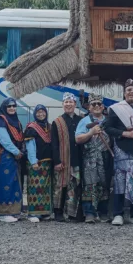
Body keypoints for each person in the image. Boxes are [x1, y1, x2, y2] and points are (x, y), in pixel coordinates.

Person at [104, 80, 133, 226]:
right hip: (121, 151)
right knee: (119, 183)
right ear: (124, 93)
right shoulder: (116, 109)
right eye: (129, 90)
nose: (131, 92)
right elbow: (107, 128)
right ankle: (118, 214)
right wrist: (124, 133)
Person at [75, 94, 112, 223]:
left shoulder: (109, 121)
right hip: (90, 158)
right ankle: (89, 212)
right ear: (89, 107)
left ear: (103, 107)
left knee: (104, 184)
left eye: (99, 104)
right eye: (93, 104)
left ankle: (103, 212)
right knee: (90, 185)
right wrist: (90, 133)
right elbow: (78, 139)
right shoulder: (84, 121)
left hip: (105, 158)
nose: (96, 106)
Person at [50, 93, 83, 221]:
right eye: (66, 102)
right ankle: (58, 212)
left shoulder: (80, 120)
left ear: (75, 104)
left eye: (71, 102)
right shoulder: (57, 122)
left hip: (76, 159)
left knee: (74, 186)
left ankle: (72, 213)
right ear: (63, 104)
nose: (68, 104)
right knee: (60, 186)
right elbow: (54, 143)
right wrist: (57, 161)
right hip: (62, 160)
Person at [0, 98, 25, 222]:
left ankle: (15, 211)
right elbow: (4, 140)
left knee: (14, 182)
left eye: (14, 106)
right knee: (5, 182)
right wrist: (17, 152)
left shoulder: (17, 121)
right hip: (5, 156)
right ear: (4, 108)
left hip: (15, 156)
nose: (12, 108)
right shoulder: (1, 120)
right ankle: (2, 213)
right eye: (9, 106)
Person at [24, 104, 56, 221]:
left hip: (48, 163)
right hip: (36, 162)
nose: (41, 114)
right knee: (35, 187)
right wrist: (33, 161)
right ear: (35, 114)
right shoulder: (31, 128)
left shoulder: (50, 126)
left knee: (46, 189)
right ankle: (33, 213)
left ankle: (44, 212)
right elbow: (30, 146)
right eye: (38, 112)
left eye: (43, 112)